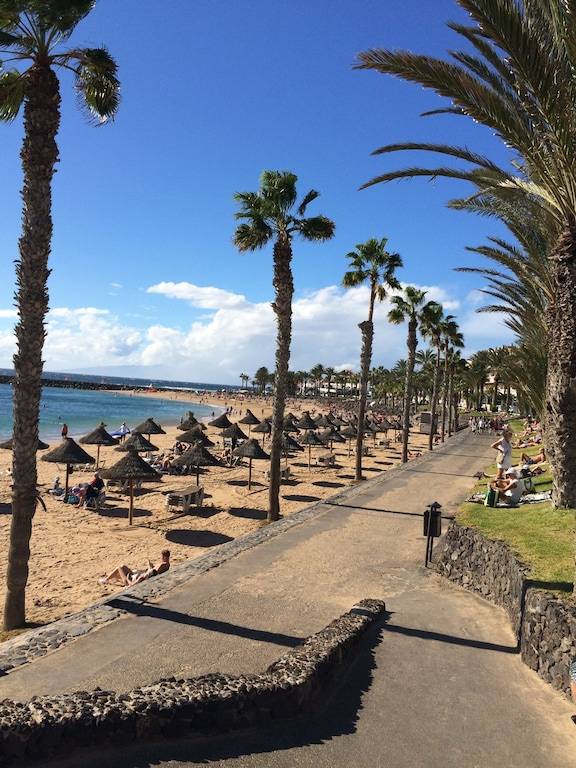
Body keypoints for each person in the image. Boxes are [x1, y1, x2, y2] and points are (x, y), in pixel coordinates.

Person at [99, 550, 171, 586]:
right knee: (123, 568)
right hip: (137, 576)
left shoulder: (162, 565)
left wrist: (127, 579)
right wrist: (150, 566)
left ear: (164, 557)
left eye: (161, 556)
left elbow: (153, 572)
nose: (160, 558)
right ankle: (110, 578)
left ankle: (106, 580)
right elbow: (154, 572)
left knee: (120, 568)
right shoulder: (167, 565)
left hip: (133, 579)